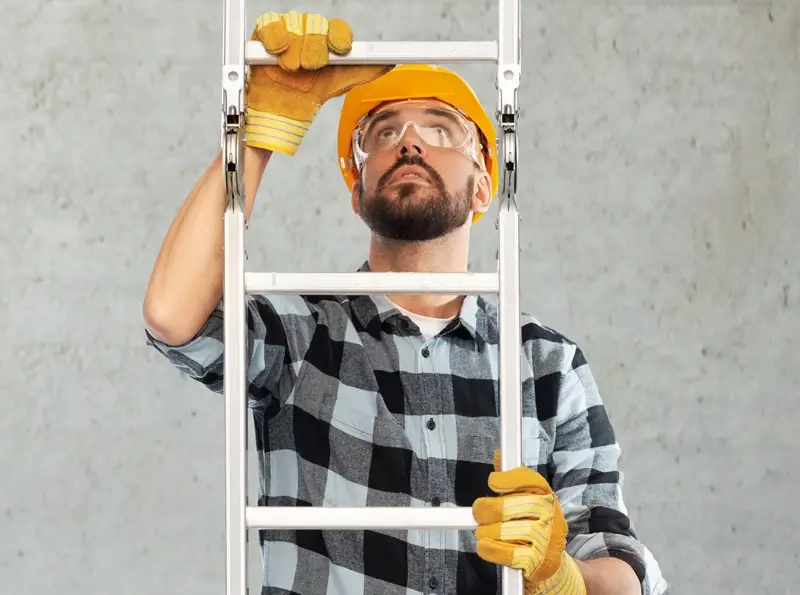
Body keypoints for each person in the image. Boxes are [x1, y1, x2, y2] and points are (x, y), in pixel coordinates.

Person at [142, 9, 668, 595]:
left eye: (442, 128)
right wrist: (260, 133)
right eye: (382, 132)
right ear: (355, 190)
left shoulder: (547, 364)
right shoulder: (306, 333)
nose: (410, 141)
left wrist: (559, 573)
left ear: (484, 184)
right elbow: (173, 316)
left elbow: (621, 571)